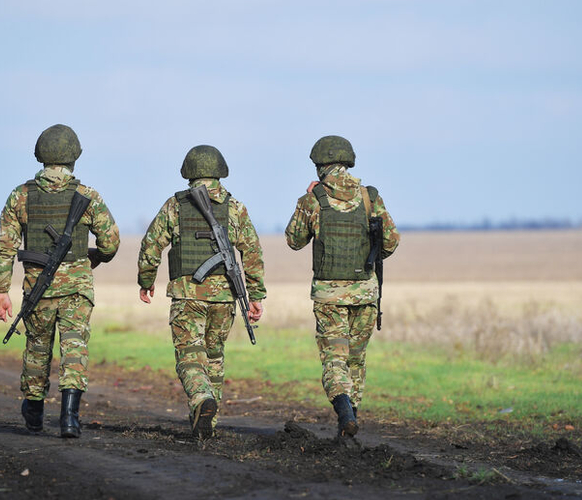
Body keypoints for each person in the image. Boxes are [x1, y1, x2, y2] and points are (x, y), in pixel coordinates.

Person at [0, 124, 120, 438]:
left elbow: (6, 247)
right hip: (77, 289)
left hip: (38, 289)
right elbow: (111, 242)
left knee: (37, 348)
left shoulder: (21, 196)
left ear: (40, 156)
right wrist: (94, 257)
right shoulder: (87, 196)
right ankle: (69, 418)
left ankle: (34, 412)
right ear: (74, 157)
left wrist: (0, 290)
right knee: (74, 349)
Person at [137, 145, 266, 439]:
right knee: (214, 356)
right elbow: (253, 253)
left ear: (188, 172)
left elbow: (151, 246)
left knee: (190, 355)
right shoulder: (235, 207)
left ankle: (200, 399)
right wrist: (255, 295)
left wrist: (146, 280)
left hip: (187, 295)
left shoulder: (175, 205)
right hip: (224, 297)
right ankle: (210, 421)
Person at [285, 135, 399, 438]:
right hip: (365, 293)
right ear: (347, 162)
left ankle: (344, 410)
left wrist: (306, 199)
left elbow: (294, 240)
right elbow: (391, 242)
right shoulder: (369, 197)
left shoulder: (314, 199)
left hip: (329, 296)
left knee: (335, 358)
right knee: (356, 360)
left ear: (319, 166)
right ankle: (350, 420)